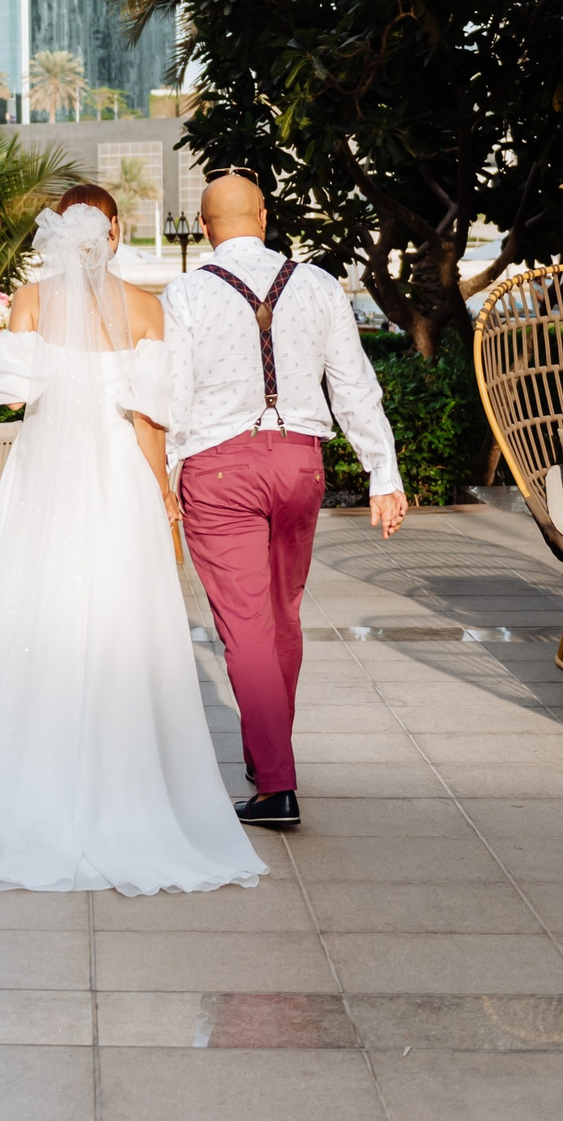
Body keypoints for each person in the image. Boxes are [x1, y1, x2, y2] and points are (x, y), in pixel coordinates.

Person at [0, 184, 266, 895]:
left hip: (44, 477)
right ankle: (125, 796)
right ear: (116, 234)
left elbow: (14, 394)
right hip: (117, 477)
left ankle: (24, 794)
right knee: (116, 616)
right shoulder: (145, 307)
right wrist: (162, 492)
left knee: (38, 611)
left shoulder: (33, 300)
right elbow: (151, 417)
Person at [163, 173, 405, 832]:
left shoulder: (184, 292)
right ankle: (268, 758)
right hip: (300, 461)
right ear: (264, 217)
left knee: (244, 628)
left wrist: (163, 480)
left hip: (218, 469)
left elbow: (173, 398)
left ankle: (275, 785)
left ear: (206, 225)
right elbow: (355, 385)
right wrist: (384, 474)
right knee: (281, 616)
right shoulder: (320, 283)